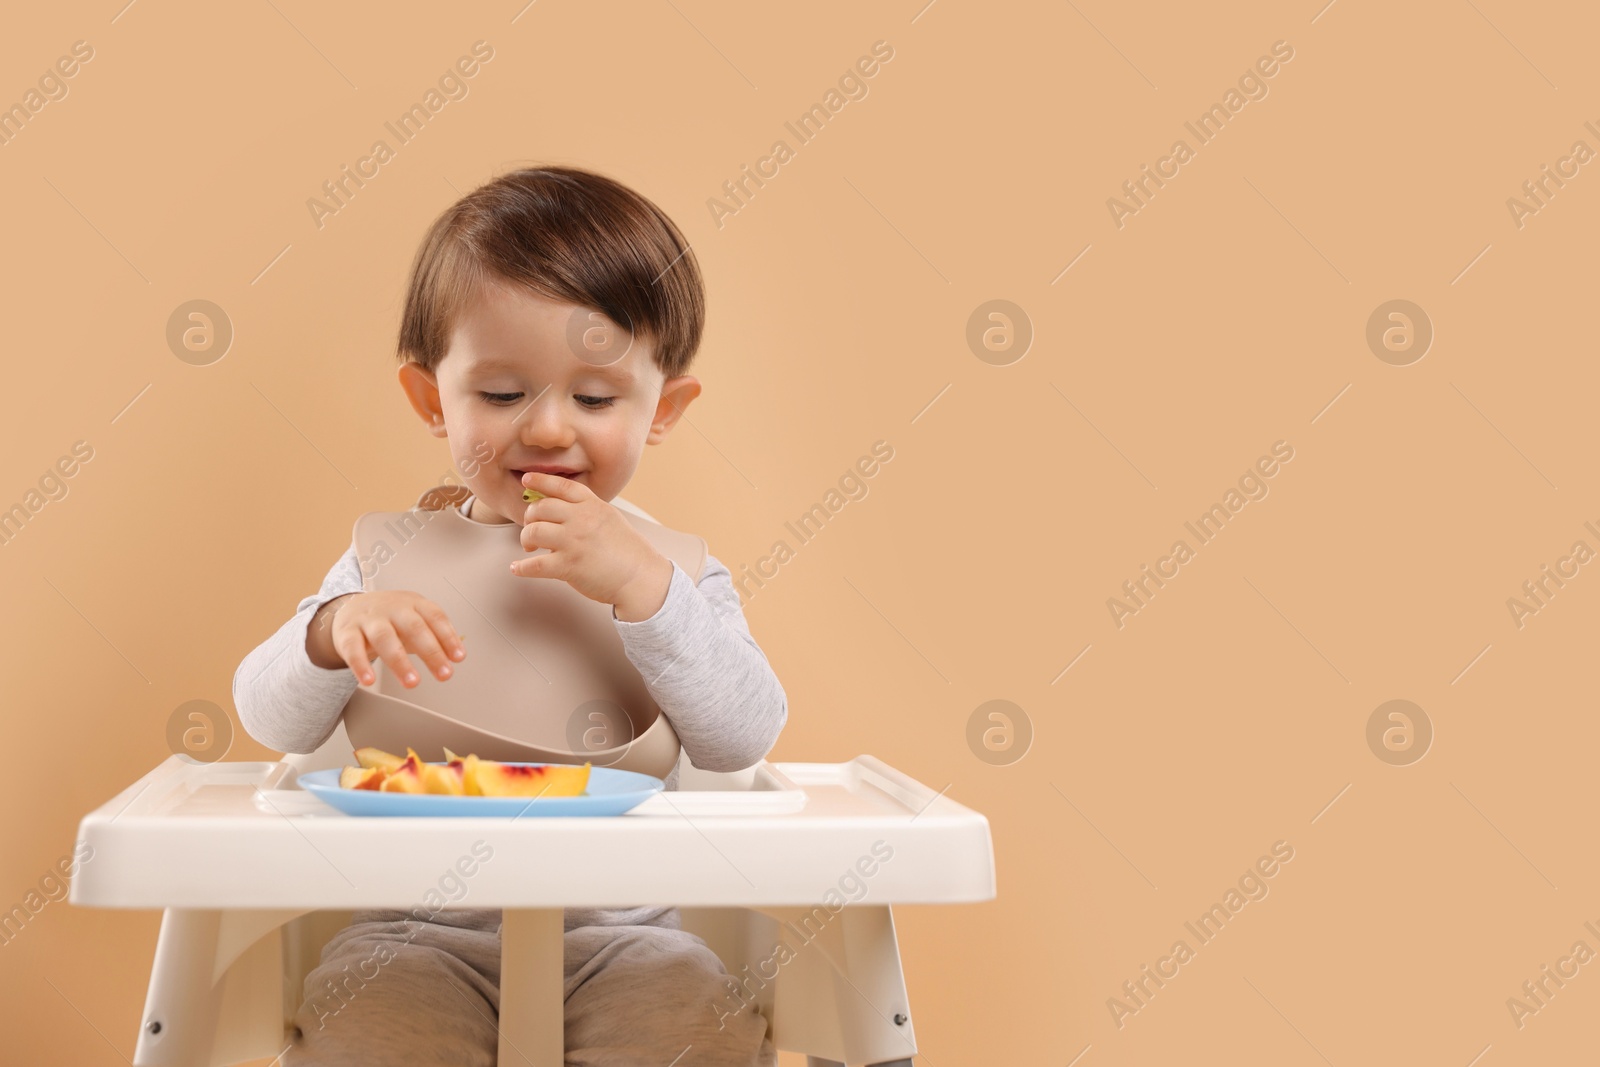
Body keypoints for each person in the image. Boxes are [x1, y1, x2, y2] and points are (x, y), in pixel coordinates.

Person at [233, 165, 786, 1066]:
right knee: (367, 1037)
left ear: (664, 411)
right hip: (416, 933)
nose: (549, 429)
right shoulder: (389, 560)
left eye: (597, 398)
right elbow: (266, 715)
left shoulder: (674, 573)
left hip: (625, 933)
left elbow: (744, 734)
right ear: (430, 399)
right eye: (500, 395)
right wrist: (332, 630)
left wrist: (643, 589)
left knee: (694, 1031)